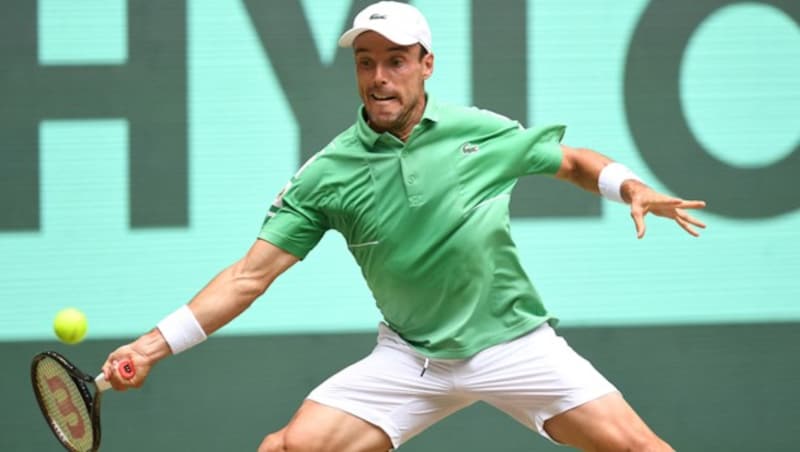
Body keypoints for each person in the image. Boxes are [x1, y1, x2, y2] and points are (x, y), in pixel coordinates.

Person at [103, 2, 706, 451]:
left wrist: (629, 186)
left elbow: (571, 161)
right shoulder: (327, 174)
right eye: (366, 64)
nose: (379, 78)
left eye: (395, 61)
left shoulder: (481, 132)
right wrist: (150, 348)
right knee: (286, 449)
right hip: (411, 359)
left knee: (641, 450)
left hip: (514, 345)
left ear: (426, 65)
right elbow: (246, 278)